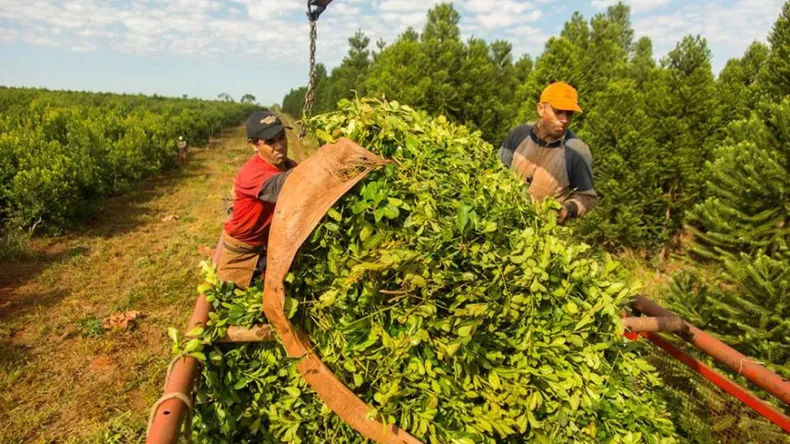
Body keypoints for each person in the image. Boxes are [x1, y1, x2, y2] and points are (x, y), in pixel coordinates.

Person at [215, 112, 296, 288]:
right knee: (233, 304)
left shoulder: (289, 166)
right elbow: (286, 186)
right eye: (270, 142)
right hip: (242, 254)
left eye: (282, 138)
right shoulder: (252, 173)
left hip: (268, 248)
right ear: (253, 145)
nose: (280, 145)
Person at [498, 81, 597, 224]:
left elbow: (588, 197)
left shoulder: (577, 150)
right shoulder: (519, 134)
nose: (564, 120)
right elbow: (496, 170)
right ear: (540, 109)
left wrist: (568, 209)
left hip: (540, 232)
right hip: (503, 221)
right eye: (558, 111)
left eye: (569, 114)